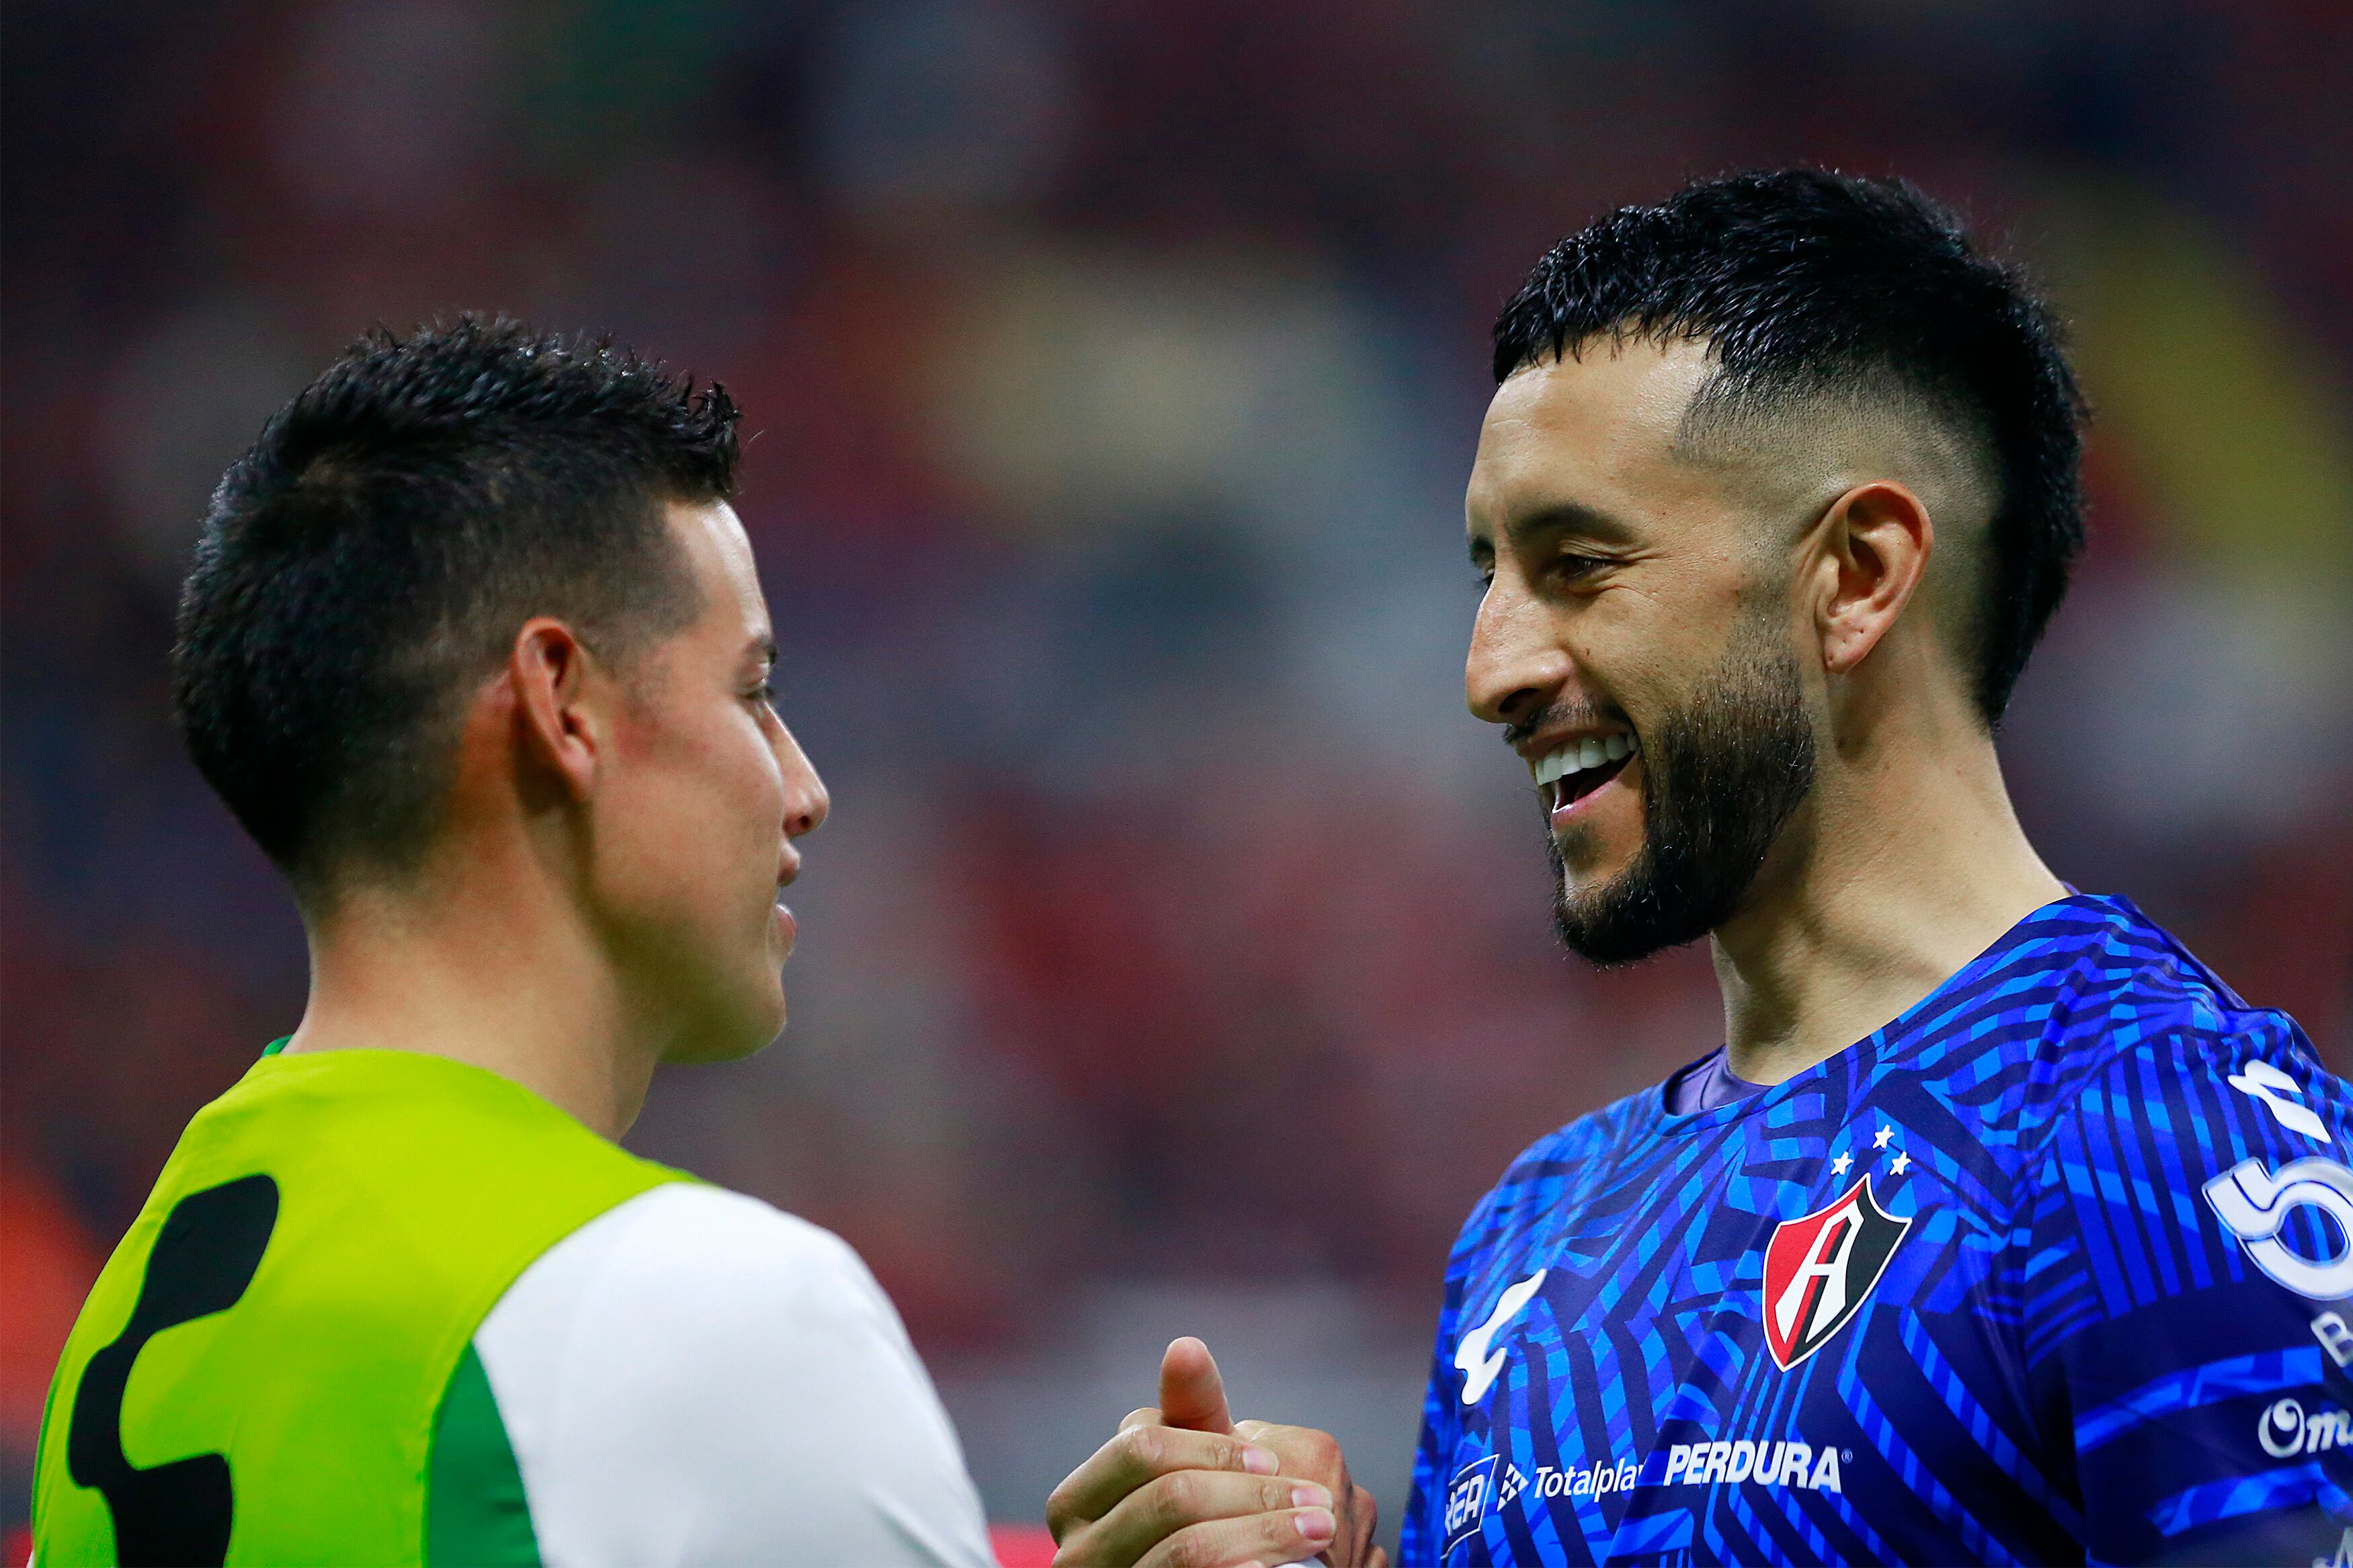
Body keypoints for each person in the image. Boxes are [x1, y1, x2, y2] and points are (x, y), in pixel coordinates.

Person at [1049, 170, 2353, 1565]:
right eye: (1486, 573)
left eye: (1578, 564)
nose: (1490, 670)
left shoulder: (2154, 1139)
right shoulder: (1540, 1230)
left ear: (1855, 575)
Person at [32, 320, 995, 1567]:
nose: (800, 786)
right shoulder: (706, 1318)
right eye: (752, 690)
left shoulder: (128, 1318)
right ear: (563, 704)